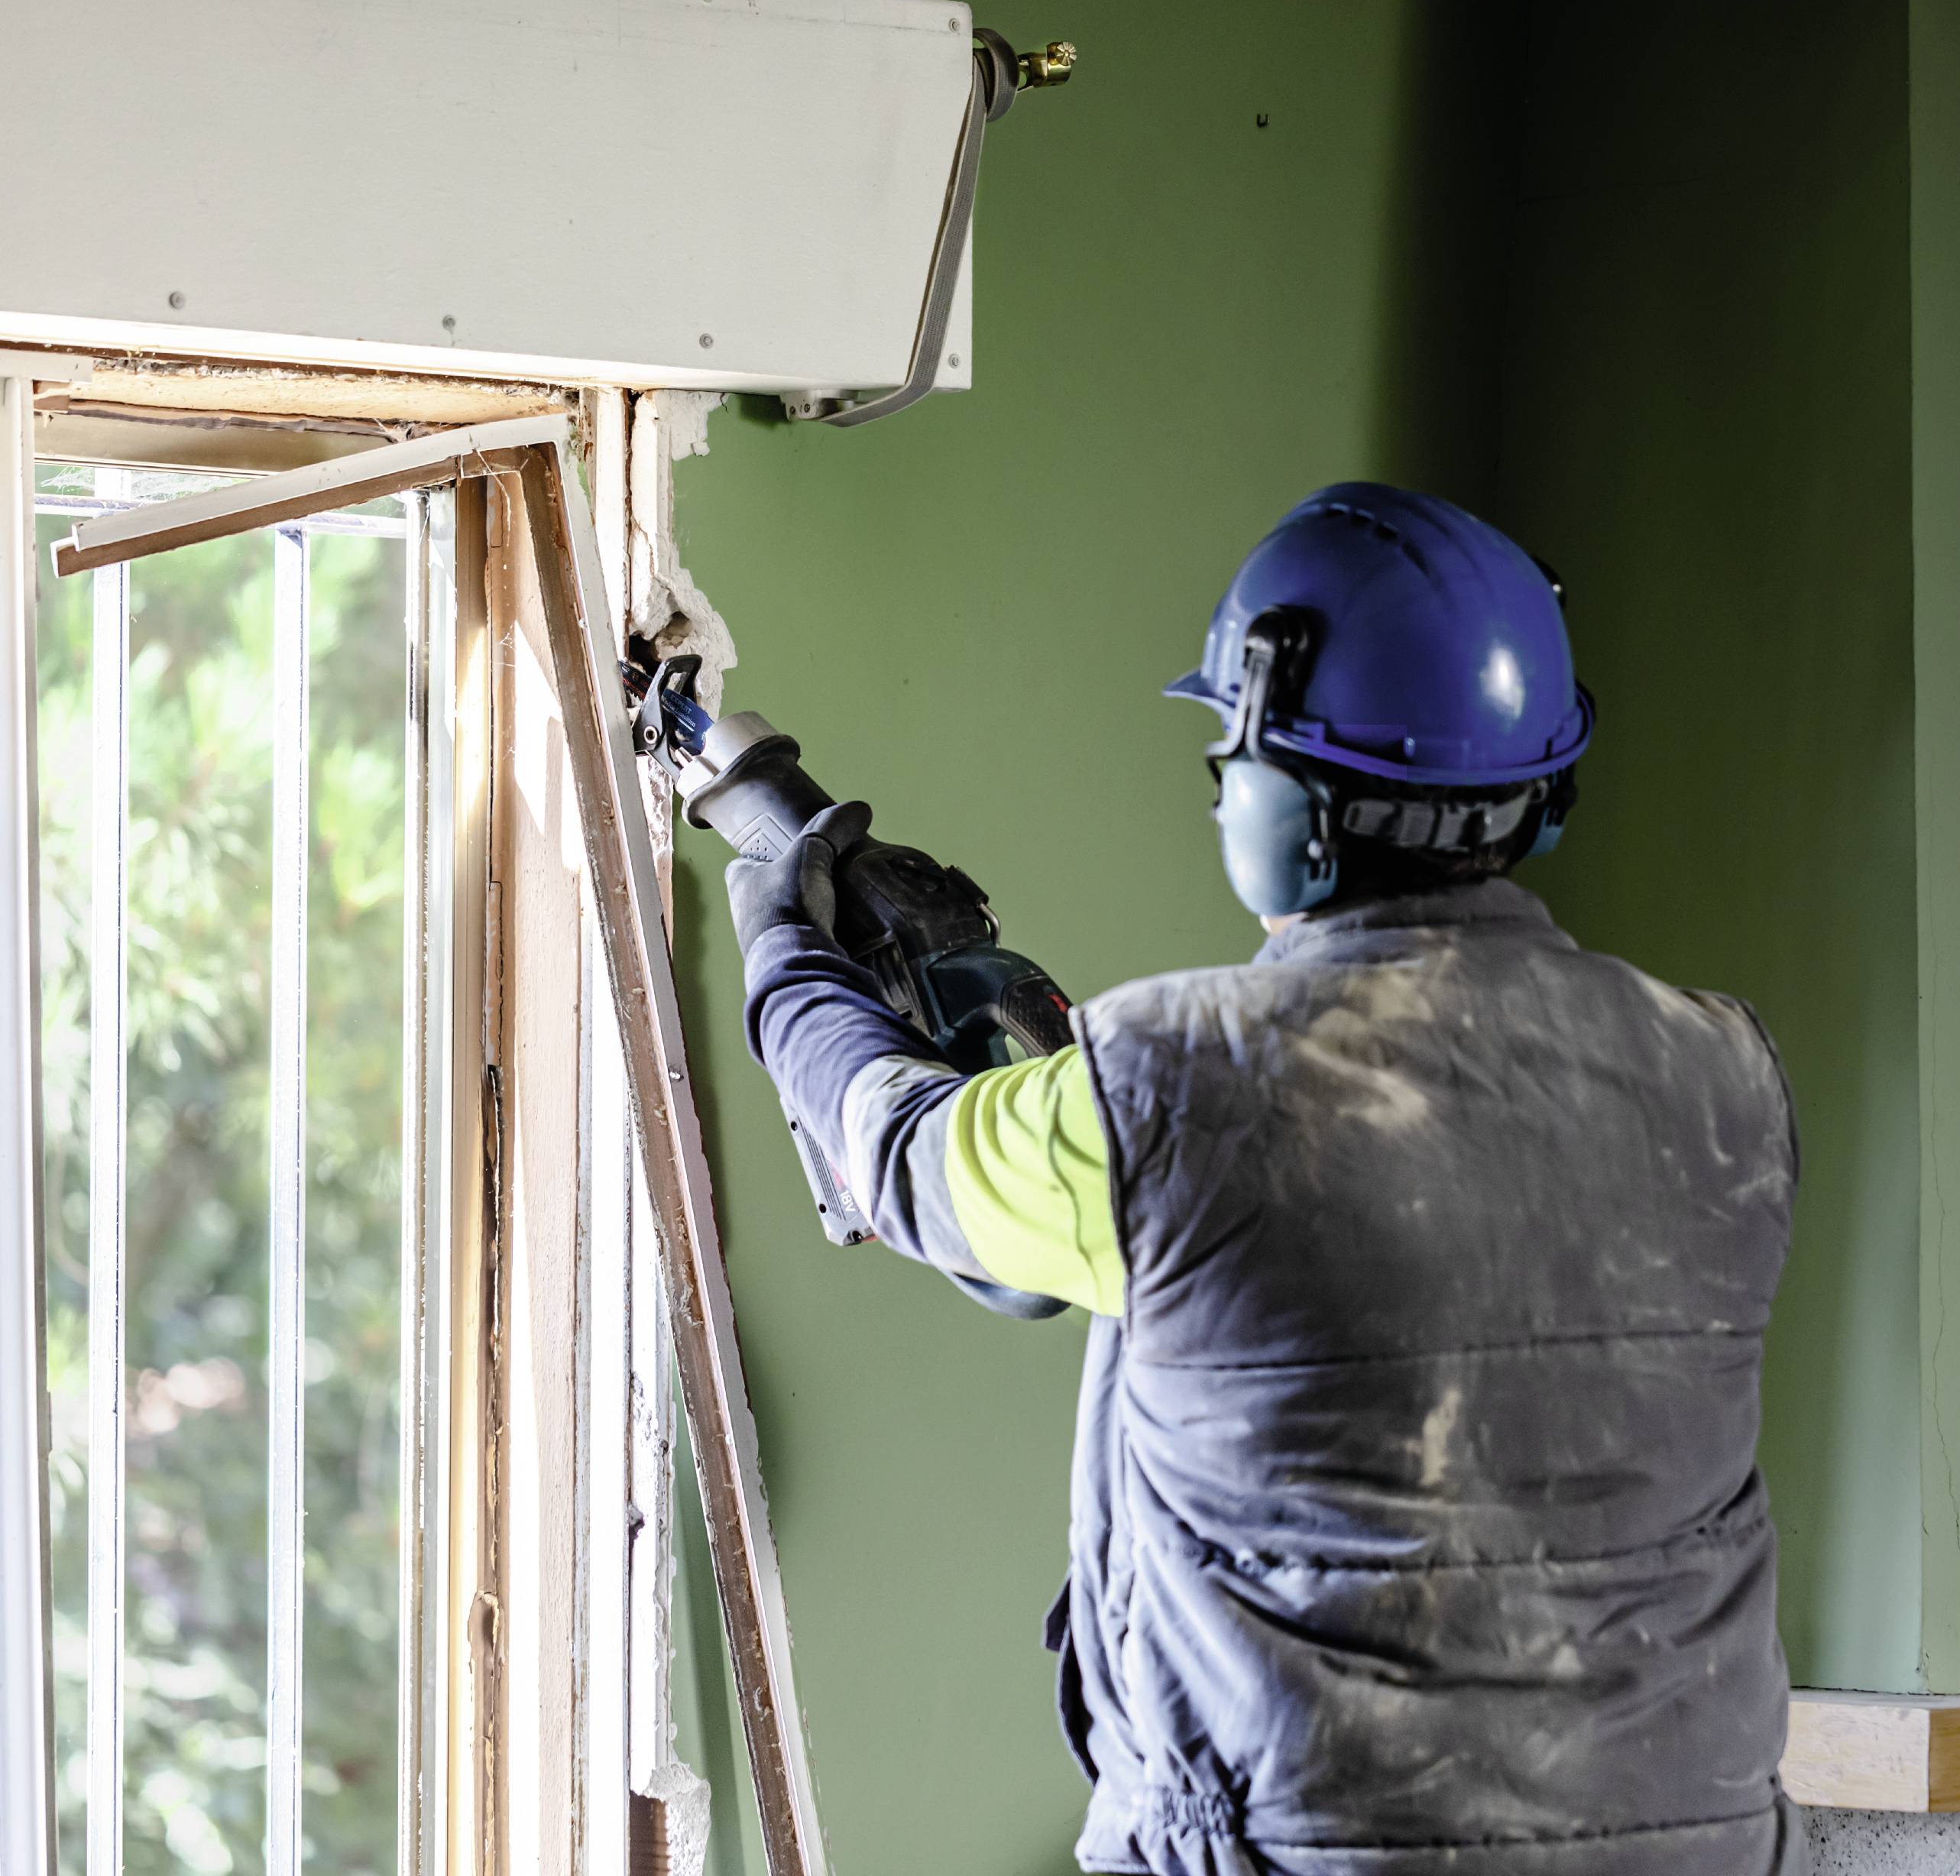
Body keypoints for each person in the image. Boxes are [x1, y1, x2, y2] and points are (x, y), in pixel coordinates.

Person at [727, 483, 1804, 1876]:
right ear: (1539, 793)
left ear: (1284, 797)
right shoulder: (1726, 1075)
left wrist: (780, 949)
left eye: (1227, 753)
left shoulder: (1171, 1085)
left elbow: (893, 1145)